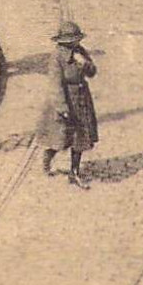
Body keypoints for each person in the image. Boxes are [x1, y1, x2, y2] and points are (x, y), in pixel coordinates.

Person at [37, 21, 99, 188]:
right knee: (60, 137)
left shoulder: (80, 52)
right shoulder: (57, 57)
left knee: (80, 137)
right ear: (64, 41)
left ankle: (74, 172)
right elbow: (55, 85)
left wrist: (86, 65)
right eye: (73, 40)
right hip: (65, 100)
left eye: (77, 39)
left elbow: (92, 73)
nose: (76, 43)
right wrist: (62, 108)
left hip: (81, 99)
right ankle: (47, 158)